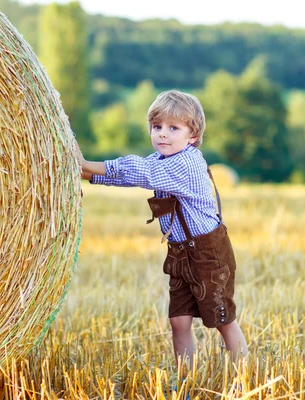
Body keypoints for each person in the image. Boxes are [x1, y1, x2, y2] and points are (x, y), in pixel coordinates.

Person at [76, 90, 248, 369]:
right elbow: (130, 176)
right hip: (180, 254)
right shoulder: (160, 161)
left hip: (208, 254)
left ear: (192, 135)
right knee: (178, 320)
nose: (162, 135)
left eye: (173, 128)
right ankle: (185, 382)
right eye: (157, 127)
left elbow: (138, 172)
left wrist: (87, 165)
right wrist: (87, 174)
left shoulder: (188, 163)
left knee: (222, 319)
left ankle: (244, 377)